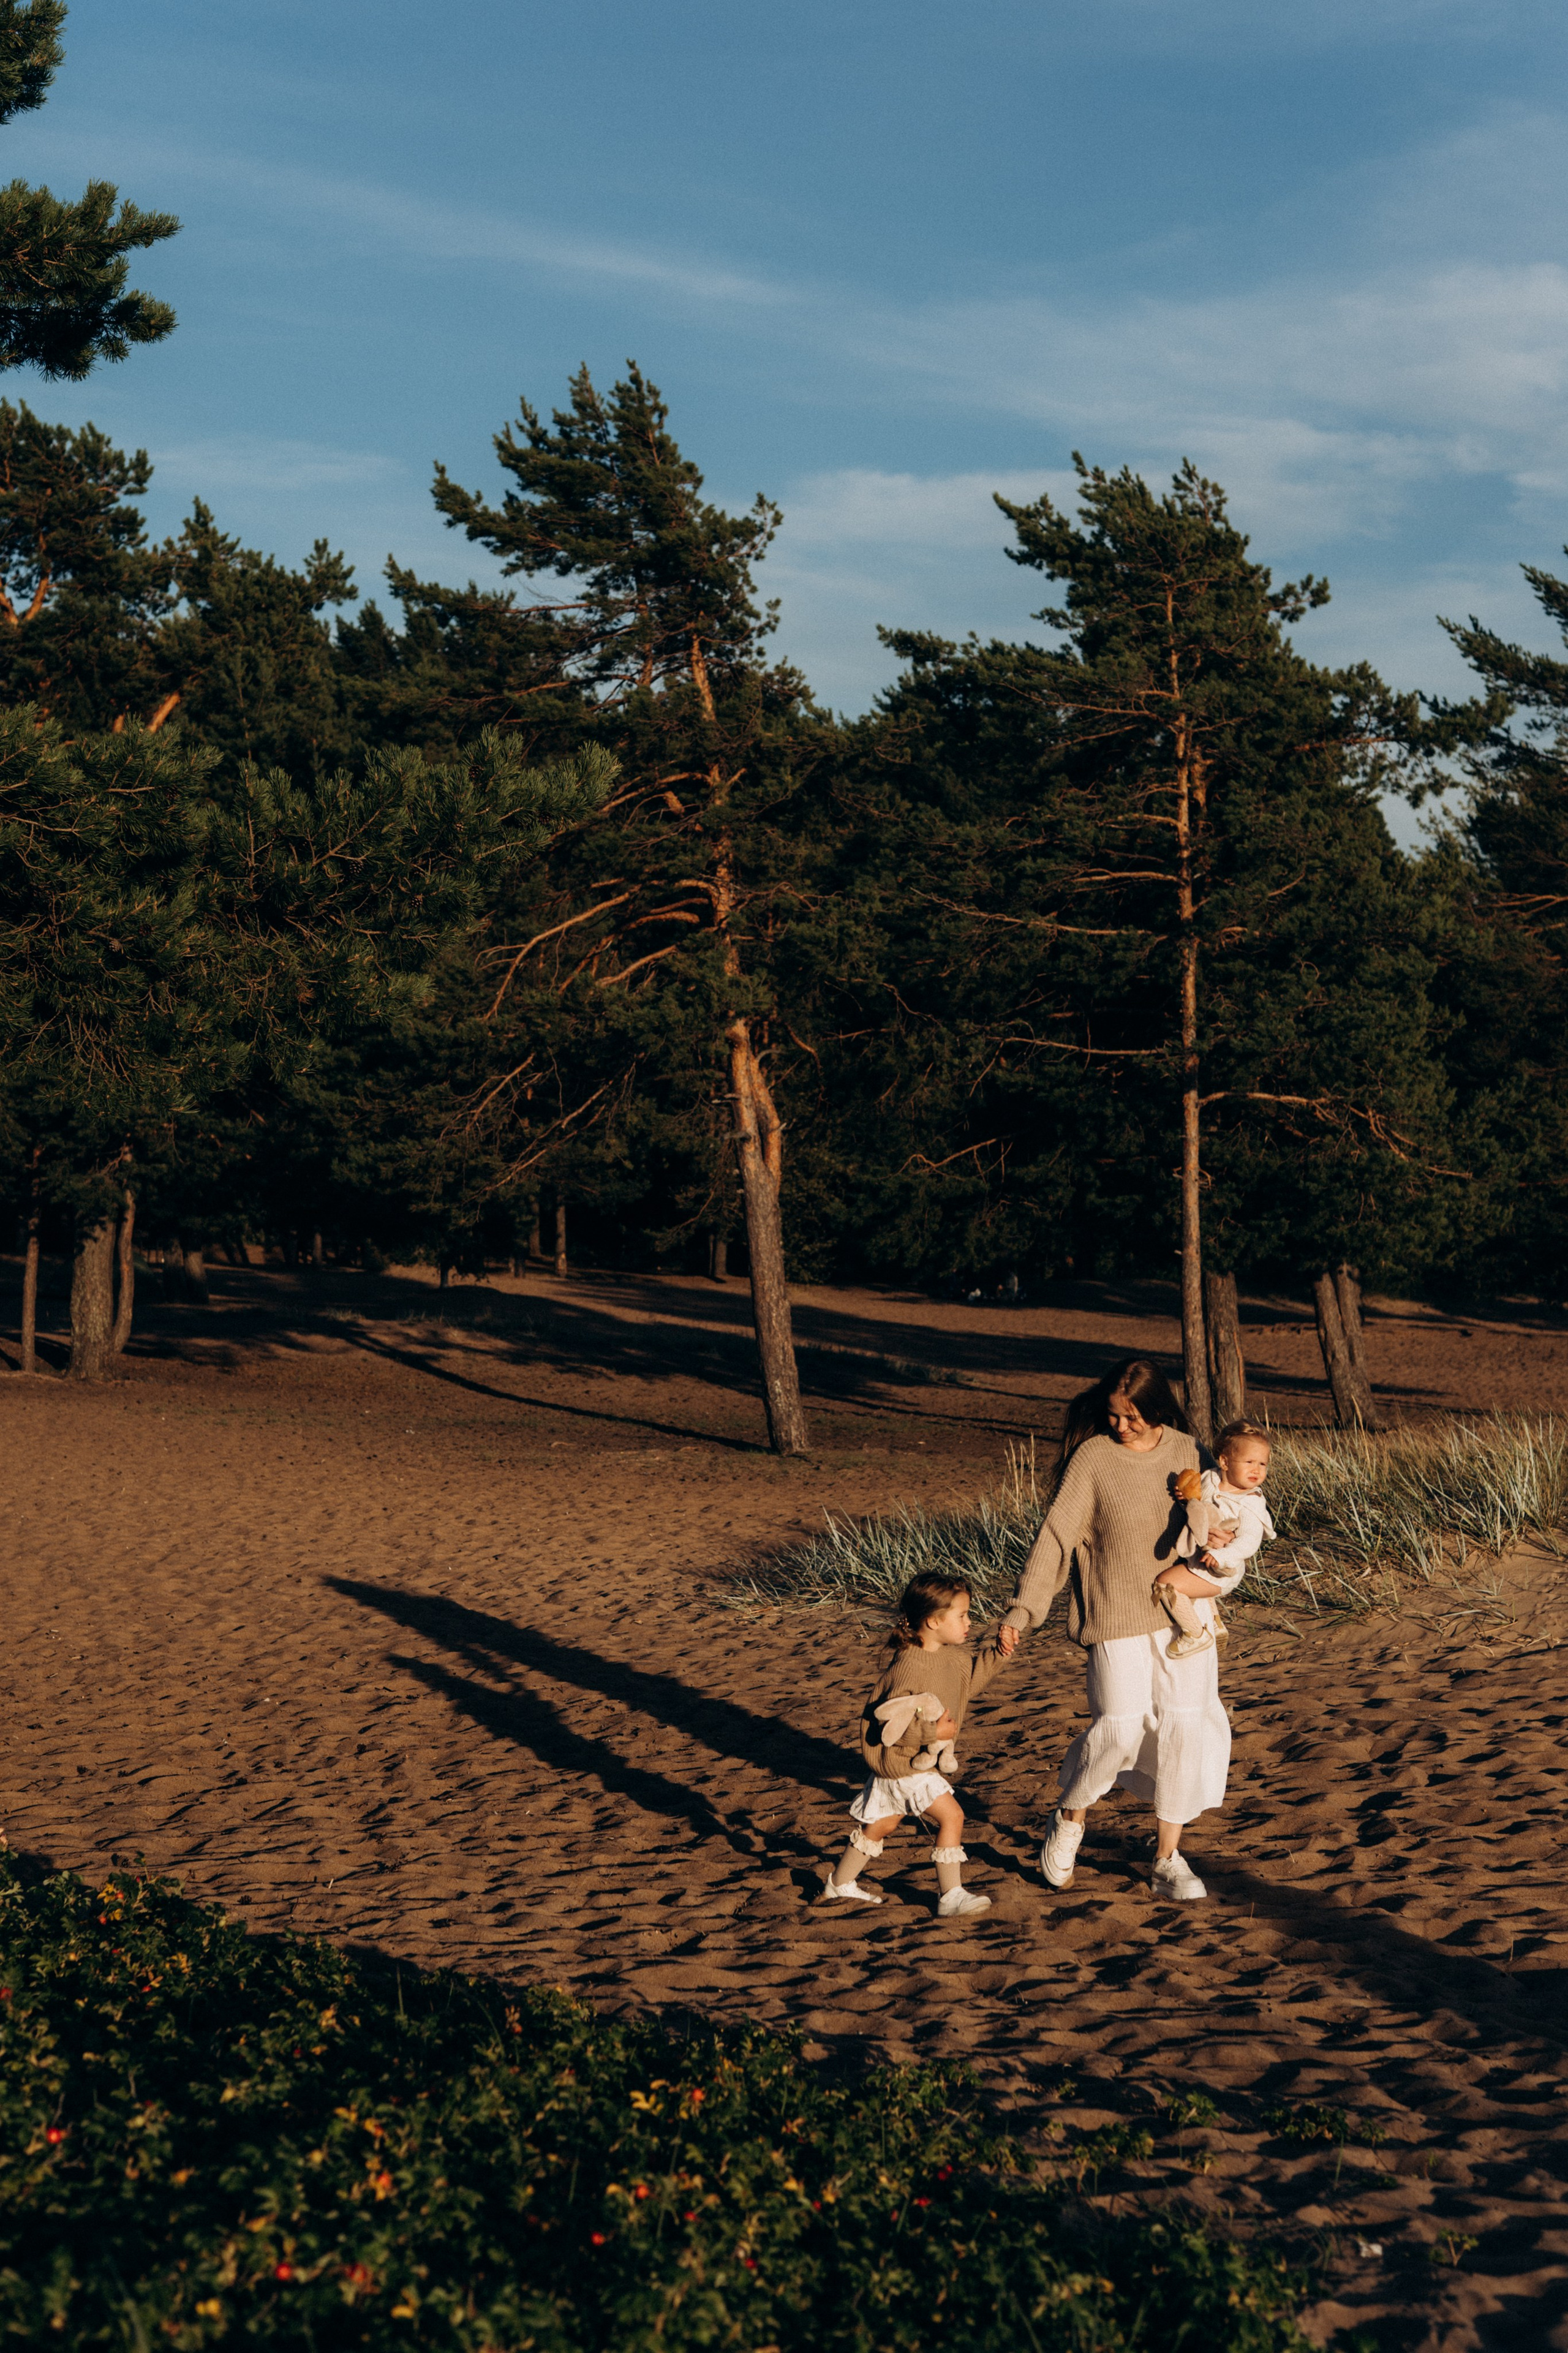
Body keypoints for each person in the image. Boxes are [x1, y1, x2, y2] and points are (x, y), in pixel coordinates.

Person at [1001, 1357, 1229, 1903]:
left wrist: (1225, 1537)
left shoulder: (1189, 1451)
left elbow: (1225, 1510)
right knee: (1119, 1727)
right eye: (1113, 1415)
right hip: (1115, 1616)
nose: (1120, 1426)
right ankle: (1070, 1815)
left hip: (1184, 1615)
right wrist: (1022, 1611)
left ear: (1157, 1410)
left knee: (1184, 1727)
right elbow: (1056, 1537)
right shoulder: (1094, 1458)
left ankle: (1167, 1858)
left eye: (1132, 1417)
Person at [822, 1570, 1014, 1918]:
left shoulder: (952, 1656)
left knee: (882, 1825)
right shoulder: (909, 1665)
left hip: (911, 1763)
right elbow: (888, 1725)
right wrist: (931, 1735)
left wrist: (1000, 1653)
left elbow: (968, 1682)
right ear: (934, 1621)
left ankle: (839, 1883)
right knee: (953, 1816)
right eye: (962, 1615)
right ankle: (951, 1895)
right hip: (903, 1762)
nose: (969, 1622)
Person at [1153, 1421, 1275, 1657]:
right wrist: (1185, 1499)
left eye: (1263, 1464)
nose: (1257, 1470)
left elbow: (1250, 1541)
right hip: (1201, 1559)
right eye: (1249, 1462)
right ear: (1225, 1462)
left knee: (1166, 1583)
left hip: (1223, 1570)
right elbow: (1198, 1508)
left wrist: (1223, 1555)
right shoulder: (1210, 1479)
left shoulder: (1251, 1503)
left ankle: (1195, 1634)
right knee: (1188, 1576)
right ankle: (1216, 1623)